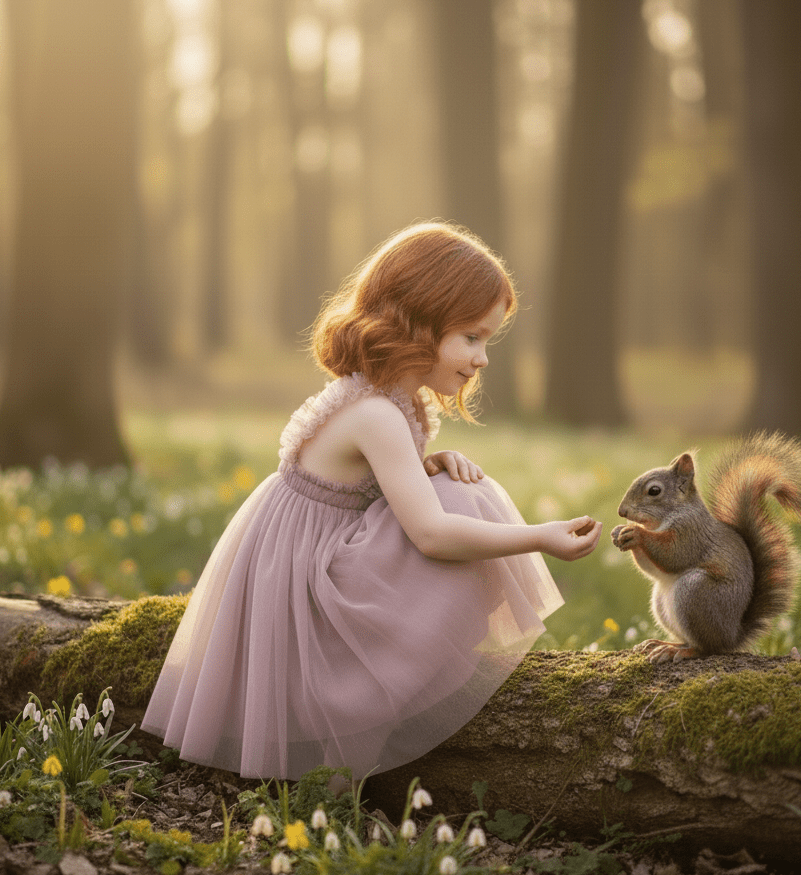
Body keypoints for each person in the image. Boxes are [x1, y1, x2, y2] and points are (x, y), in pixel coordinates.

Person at [141, 222, 602, 781]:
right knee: (466, 508)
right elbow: (431, 534)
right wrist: (538, 537)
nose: (482, 359)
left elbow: (370, 482)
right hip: (309, 592)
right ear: (418, 321)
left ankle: (411, 676)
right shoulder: (377, 413)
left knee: (462, 492)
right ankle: (365, 705)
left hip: (317, 561)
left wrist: (425, 465)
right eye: (472, 337)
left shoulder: (388, 401)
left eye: (488, 341)